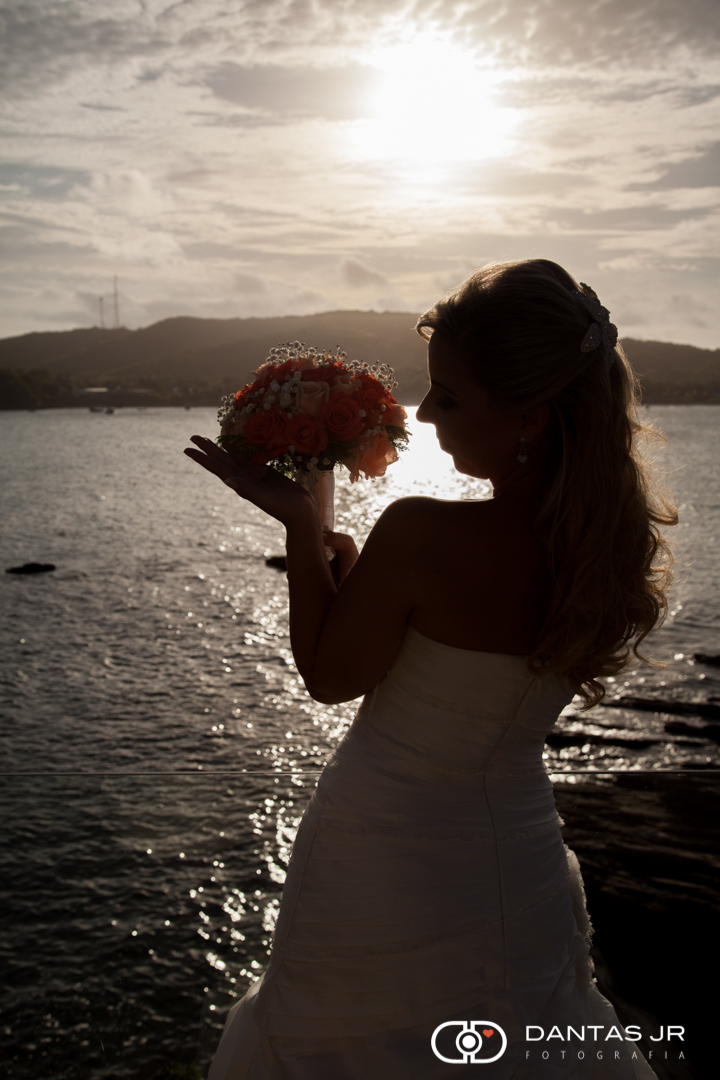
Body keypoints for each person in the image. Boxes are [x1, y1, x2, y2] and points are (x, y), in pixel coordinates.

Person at [184, 258, 676, 1078]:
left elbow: (330, 678)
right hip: (516, 854)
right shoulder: (604, 553)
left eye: (447, 396)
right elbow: (455, 653)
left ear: (530, 416)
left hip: (382, 852)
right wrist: (354, 578)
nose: (423, 413)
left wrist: (300, 525)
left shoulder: (422, 532)